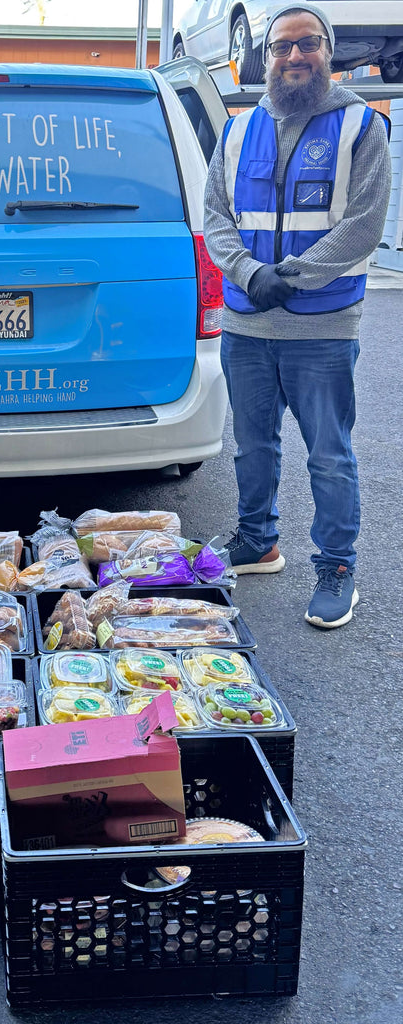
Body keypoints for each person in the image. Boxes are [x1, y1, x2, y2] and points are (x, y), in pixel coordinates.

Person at [204, 2, 391, 629]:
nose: (293, 56)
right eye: (281, 46)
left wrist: (293, 278)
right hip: (247, 322)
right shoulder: (234, 131)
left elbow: (364, 227)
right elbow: (217, 220)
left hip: (323, 325)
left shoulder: (363, 127)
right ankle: (258, 541)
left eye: (306, 43)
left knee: (329, 454)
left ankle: (337, 567)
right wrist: (253, 276)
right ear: (266, 58)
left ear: (327, 52)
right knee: (252, 447)